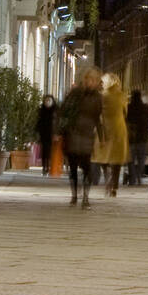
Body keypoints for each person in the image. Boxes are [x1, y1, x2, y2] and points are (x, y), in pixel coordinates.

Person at [60, 69, 103, 208]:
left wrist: (102, 138)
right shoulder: (75, 93)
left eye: (93, 80)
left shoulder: (98, 98)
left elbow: (98, 119)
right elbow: (64, 111)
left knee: (87, 167)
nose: (90, 82)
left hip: (87, 134)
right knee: (72, 167)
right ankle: (74, 195)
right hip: (73, 133)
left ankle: (85, 197)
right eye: (88, 79)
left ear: (96, 82)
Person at [94, 72, 130, 197]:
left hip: (104, 129)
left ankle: (107, 176)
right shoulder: (122, 96)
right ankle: (114, 184)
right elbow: (125, 112)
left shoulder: (101, 96)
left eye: (103, 82)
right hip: (119, 129)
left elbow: (97, 112)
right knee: (117, 159)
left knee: (104, 157)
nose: (102, 84)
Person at [125, 89, 148, 187]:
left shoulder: (128, 108)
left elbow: (123, 121)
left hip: (131, 138)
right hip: (142, 138)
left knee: (130, 160)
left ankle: (132, 178)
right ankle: (139, 177)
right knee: (141, 159)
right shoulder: (146, 108)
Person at [36, 94, 57, 176]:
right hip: (43, 134)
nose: (48, 102)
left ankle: (49, 166)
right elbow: (39, 122)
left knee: (50, 151)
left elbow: (57, 122)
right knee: (44, 151)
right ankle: (45, 167)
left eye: (49, 100)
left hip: (52, 134)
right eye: (46, 100)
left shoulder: (55, 110)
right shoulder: (42, 110)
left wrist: (57, 133)